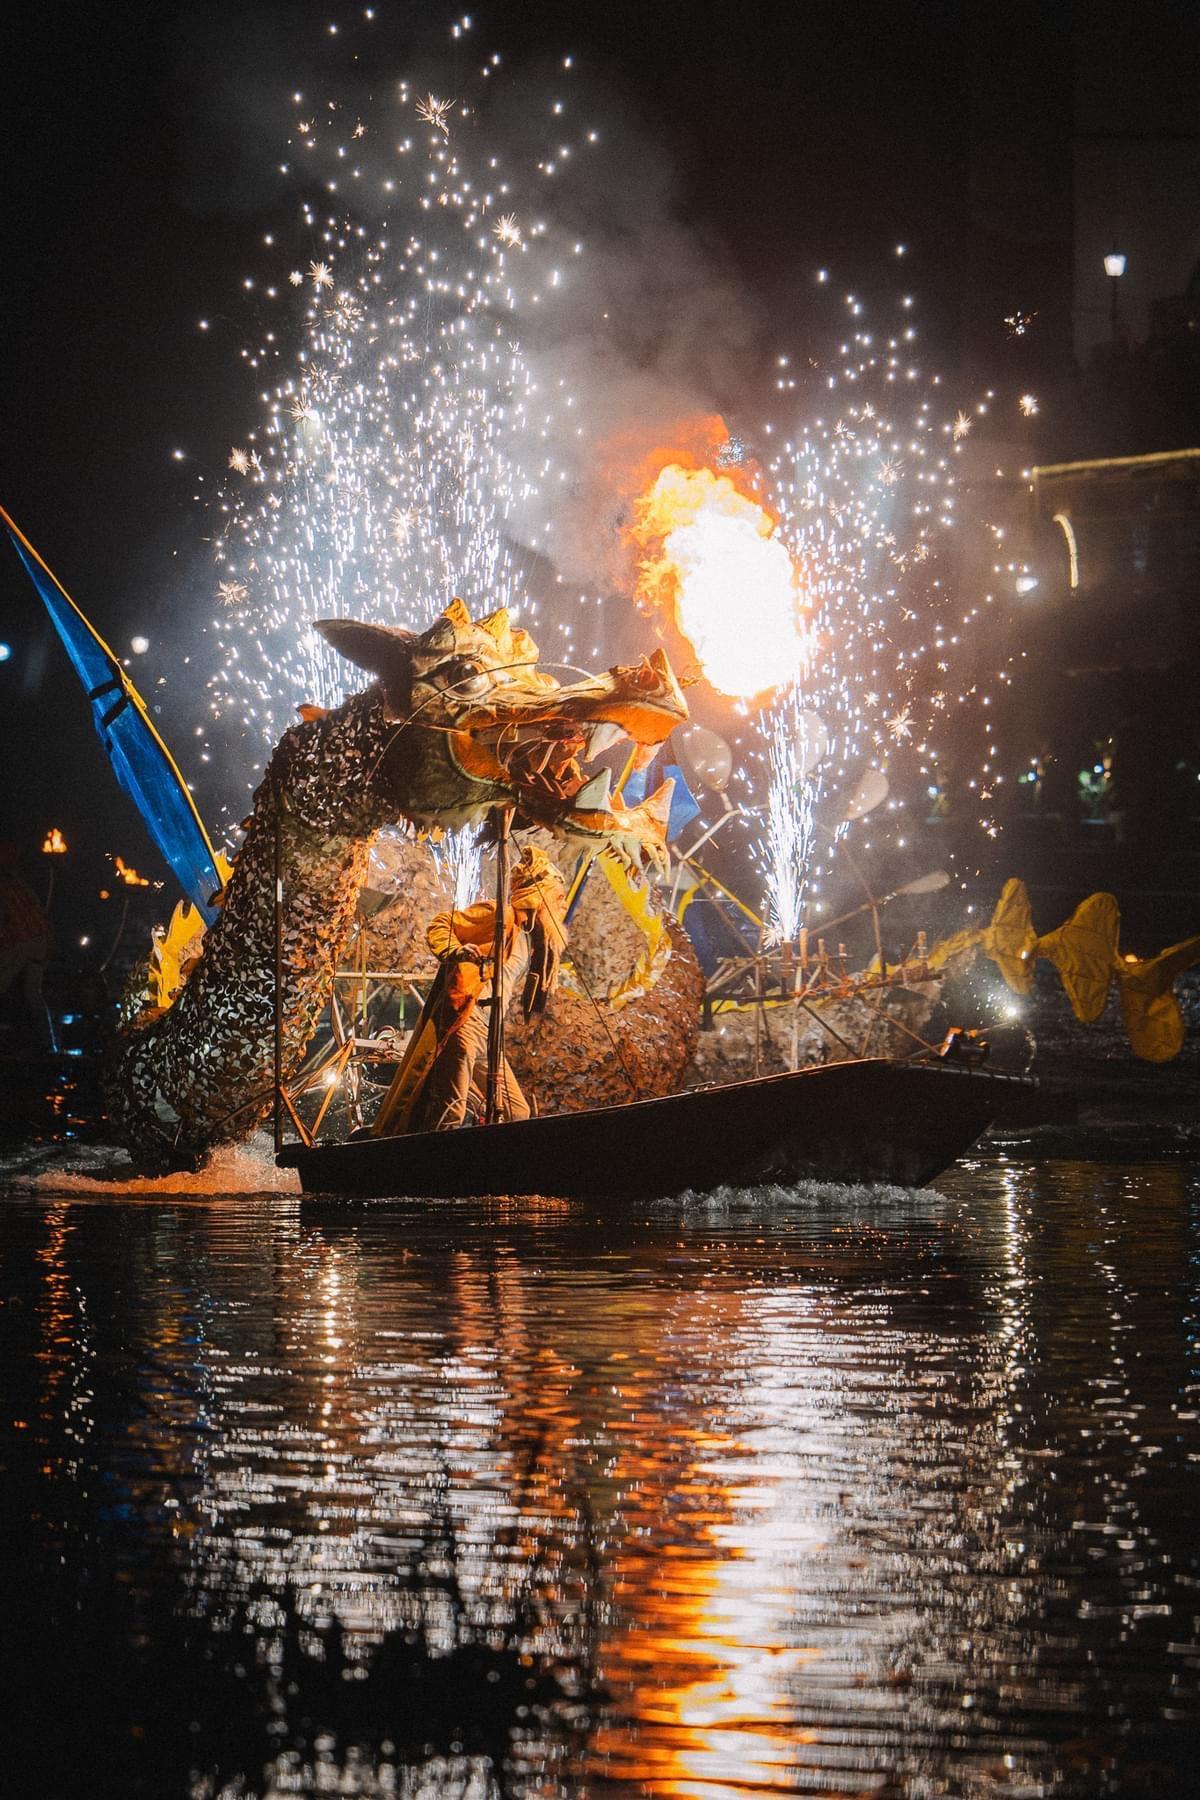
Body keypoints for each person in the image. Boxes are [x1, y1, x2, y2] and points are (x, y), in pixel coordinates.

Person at [373, 845, 568, 1135]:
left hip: (490, 1034)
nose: (560, 906)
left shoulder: (531, 939)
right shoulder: (501, 915)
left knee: (516, 1111)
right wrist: (456, 951)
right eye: (556, 898)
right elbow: (442, 924)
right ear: (540, 896)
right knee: (451, 1107)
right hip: (467, 1018)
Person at [0, 842, 58, 1054]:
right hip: (38, 943)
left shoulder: (11, 887)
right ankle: (48, 1045)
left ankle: (45, 1046)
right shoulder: (20, 886)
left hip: (25, 943)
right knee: (33, 994)